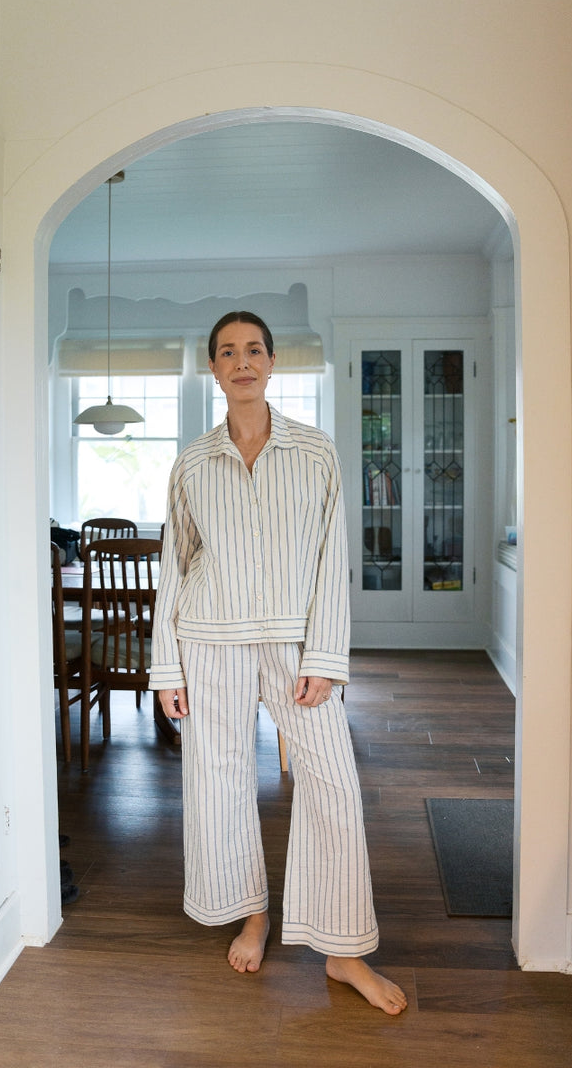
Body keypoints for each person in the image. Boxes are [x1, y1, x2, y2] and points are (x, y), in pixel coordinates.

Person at [148, 311, 408, 1015]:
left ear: (271, 362)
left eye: (253, 350)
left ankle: (345, 951)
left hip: (296, 647)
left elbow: (333, 562)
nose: (242, 362)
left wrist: (324, 654)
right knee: (222, 783)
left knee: (332, 784)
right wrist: (165, 667)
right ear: (213, 369)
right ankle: (251, 914)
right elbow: (176, 566)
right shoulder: (193, 462)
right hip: (209, 641)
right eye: (227, 352)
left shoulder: (315, 452)